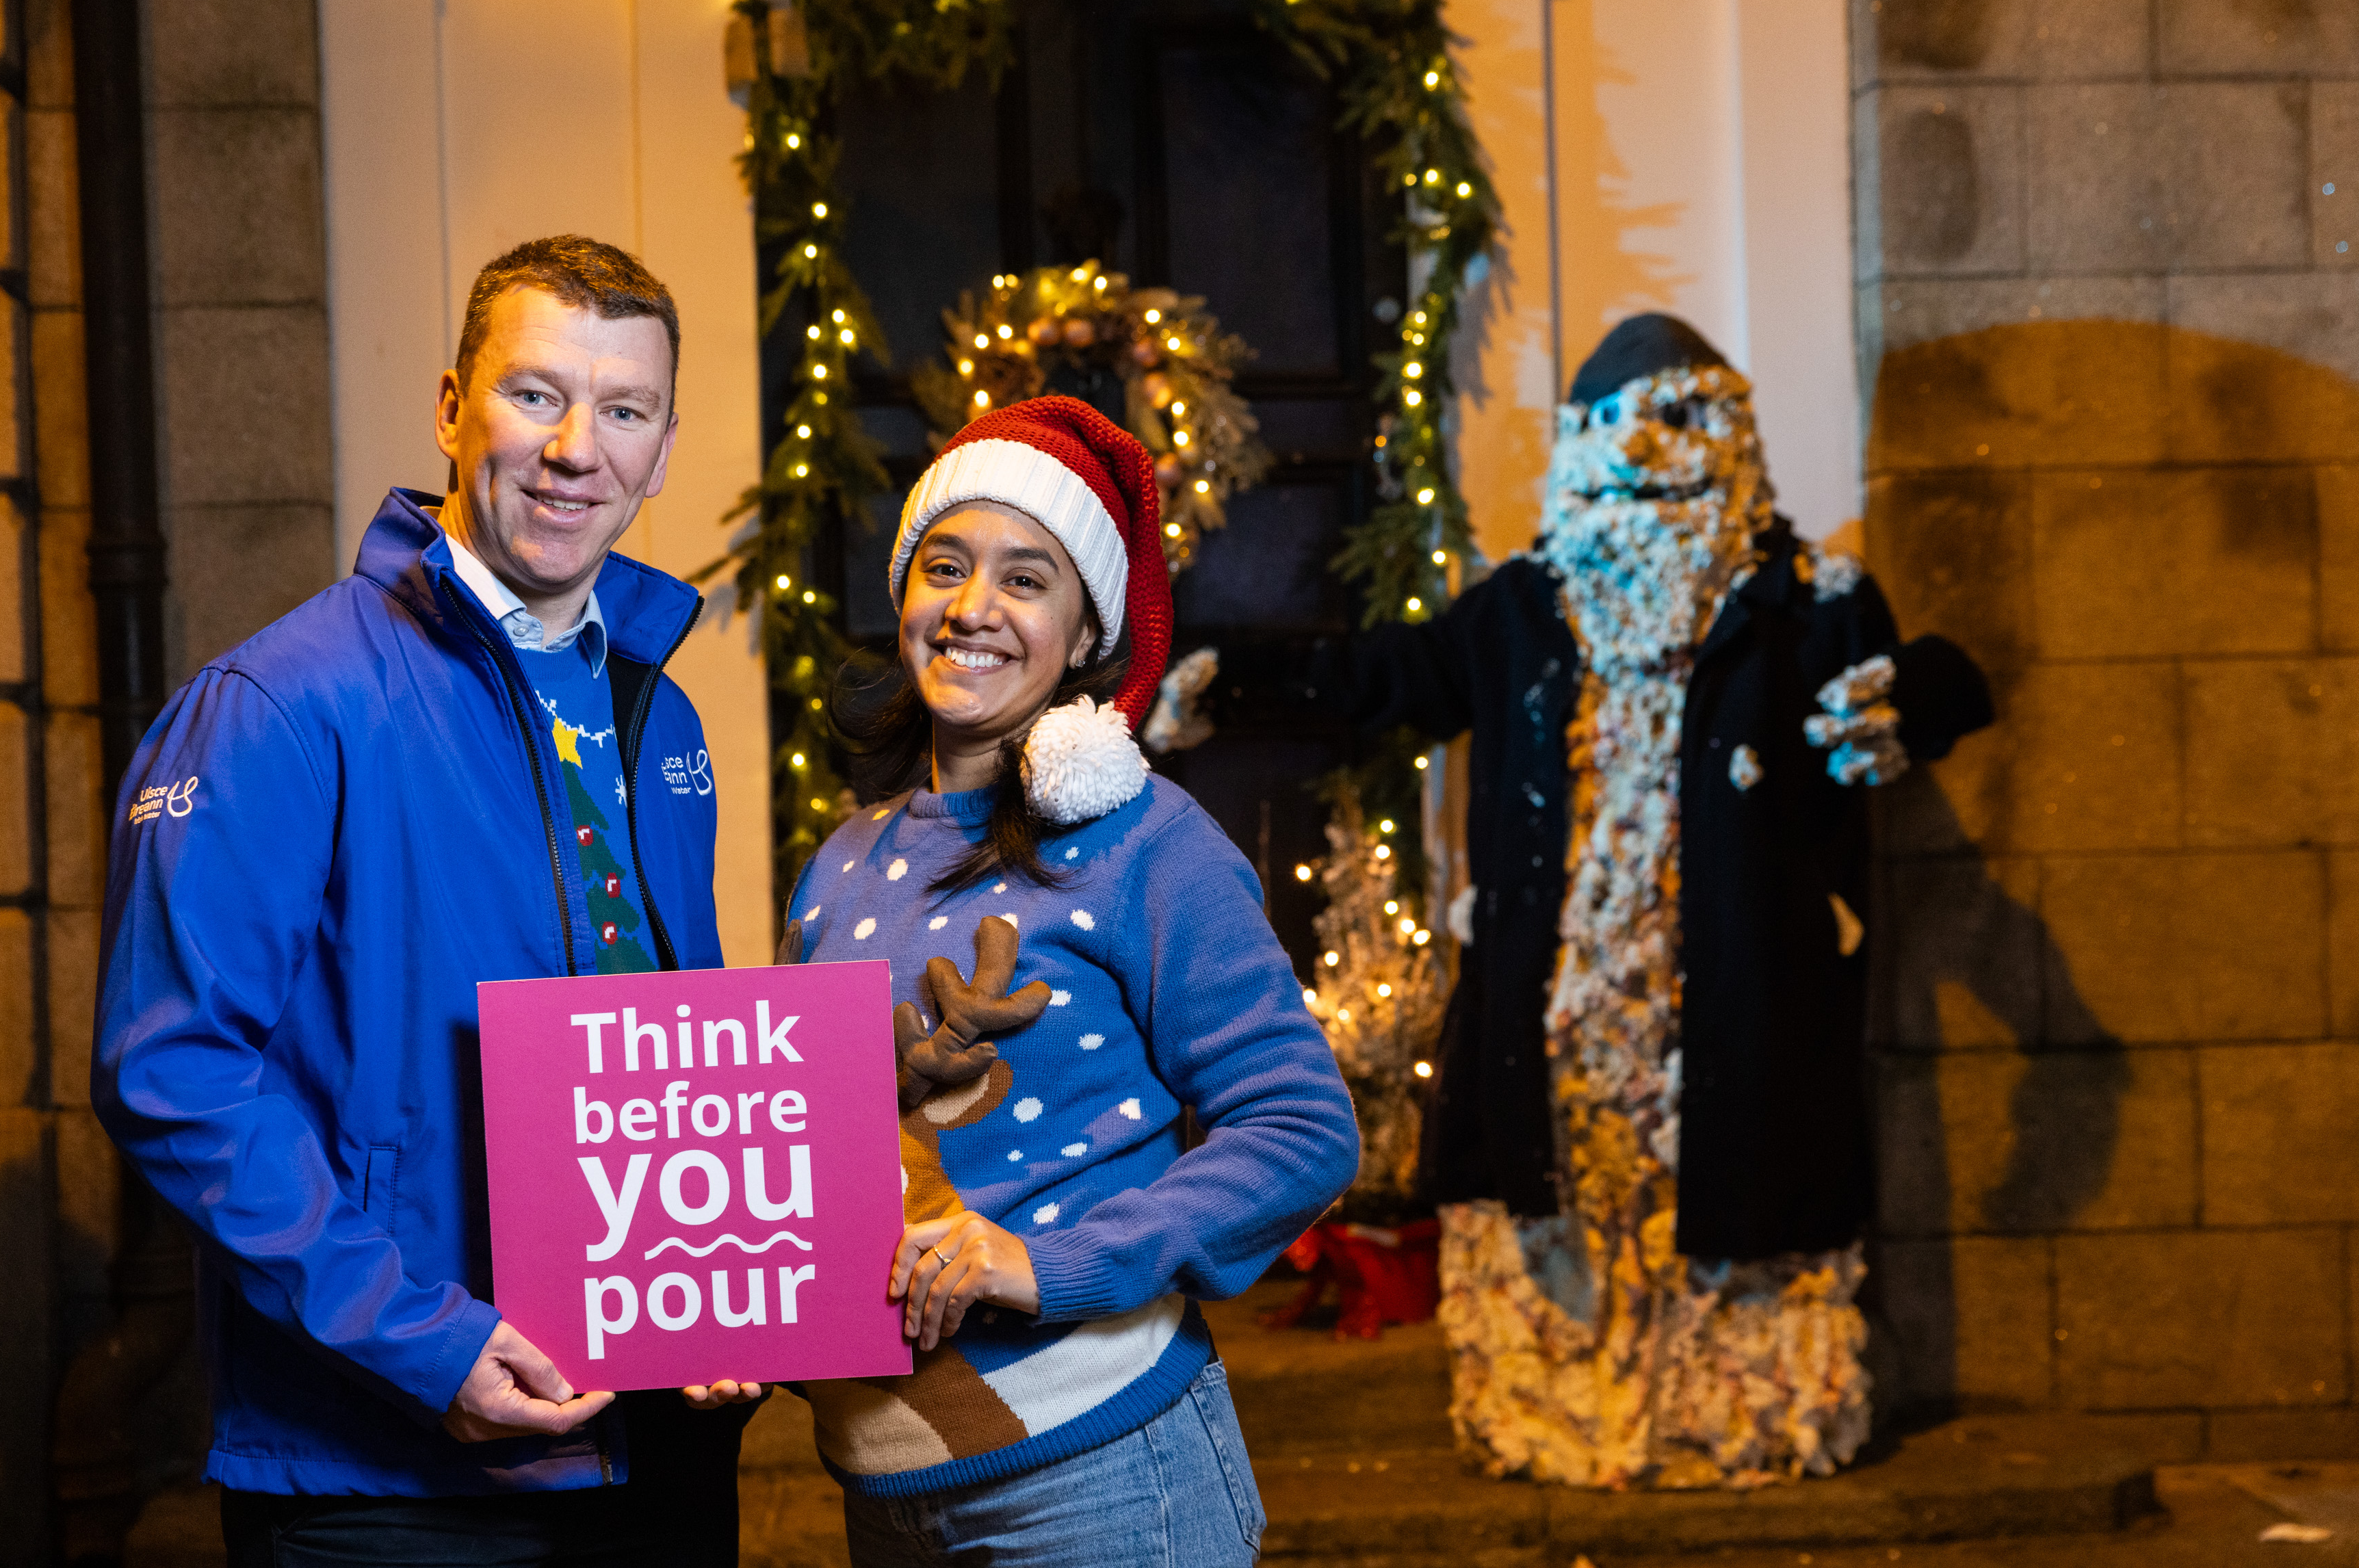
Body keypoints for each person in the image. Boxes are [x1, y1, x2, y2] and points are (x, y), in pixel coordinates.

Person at [92, 235, 764, 1564]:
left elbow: (671, 1049)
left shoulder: (659, 714)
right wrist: (426, 1343)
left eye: (623, 411)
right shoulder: (282, 705)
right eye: (536, 395)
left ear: (665, 446)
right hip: (389, 1479)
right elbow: (172, 1071)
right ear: (454, 407)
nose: (579, 448)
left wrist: (727, 1296)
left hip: (655, 1451)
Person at [1307, 315, 1994, 1485]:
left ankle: (1729, 1422)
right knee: (1572, 1196)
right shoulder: (1523, 609)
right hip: (1562, 1010)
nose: (1645, 453)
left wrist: (1922, 694)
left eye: (1677, 421)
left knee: (1731, 1197)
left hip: (1737, 999)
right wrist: (1222, 667)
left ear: (1729, 436)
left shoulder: (1807, 603)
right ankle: (1568, 1418)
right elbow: (1392, 679)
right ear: (1579, 446)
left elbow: (1917, 683)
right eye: (1613, 427)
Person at [783, 395, 1359, 1564]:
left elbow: (1302, 1130)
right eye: (946, 566)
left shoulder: (1152, 843)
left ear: (1086, 628)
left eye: (1026, 579)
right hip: (881, 1488)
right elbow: (810, 1157)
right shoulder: (838, 867)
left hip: (1099, 1475)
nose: (973, 609)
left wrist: (1048, 1265)